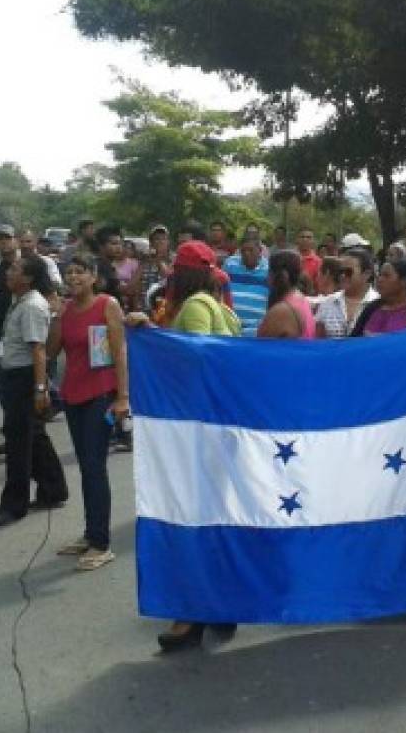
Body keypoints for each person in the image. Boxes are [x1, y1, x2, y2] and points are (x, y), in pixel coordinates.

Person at [126, 240, 240, 651]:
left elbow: (194, 360)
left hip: (199, 429)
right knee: (216, 519)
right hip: (219, 427)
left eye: (177, 268)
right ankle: (220, 607)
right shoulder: (220, 307)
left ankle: (192, 613)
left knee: (193, 520)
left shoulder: (194, 307)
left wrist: (152, 335)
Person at [47, 254, 128, 570]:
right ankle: (90, 532)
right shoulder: (65, 311)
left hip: (101, 395)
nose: (74, 278)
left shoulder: (107, 305)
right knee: (85, 466)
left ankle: (101, 543)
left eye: (80, 272)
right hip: (73, 395)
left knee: (95, 467)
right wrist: (54, 317)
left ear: (94, 277)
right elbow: (53, 351)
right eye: (69, 273)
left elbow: (119, 351)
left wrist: (122, 397)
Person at [0, 254, 69, 527]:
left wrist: (39, 389)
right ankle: (53, 489)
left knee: (18, 443)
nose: (8, 272)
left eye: (15, 269)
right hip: (16, 376)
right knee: (34, 436)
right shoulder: (19, 301)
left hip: (24, 379)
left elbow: (38, 351)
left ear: (28, 278)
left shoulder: (32, 306)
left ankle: (13, 505)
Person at [352, 260, 406, 336]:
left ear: (405, 280)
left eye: (386, 276)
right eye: (379, 274)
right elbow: (353, 342)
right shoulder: (372, 308)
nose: (379, 279)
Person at [316, 248, 378, 337]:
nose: (343, 276)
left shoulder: (379, 305)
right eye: (340, 271)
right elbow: (318, 341)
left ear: (366, 274)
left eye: (348, 272)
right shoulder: (328, 303)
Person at [257, 250, 316, 339]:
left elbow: (260, 347)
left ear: (278, 275)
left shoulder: (281, 311)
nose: (267, 278)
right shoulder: (302, 299)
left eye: (270, 272)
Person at [222, 235, 269, 336]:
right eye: (243, 251)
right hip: (229, 326)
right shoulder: (230, 264)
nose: (247, 254)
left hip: (256, 329)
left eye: (251, 250)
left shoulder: (269, 270)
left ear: (260, 251)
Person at [138, 224, 173, 298]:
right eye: (157, 239)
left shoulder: (173, 259)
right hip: (145, 306)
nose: (160, 242)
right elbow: (132, 286)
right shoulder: (144, 260)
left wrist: (158, 260)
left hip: (165, 305)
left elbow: (169, 279)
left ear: (168, 242)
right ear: (151, 242)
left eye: (164, 239)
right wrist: (144, 262)